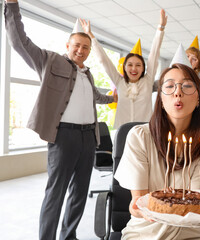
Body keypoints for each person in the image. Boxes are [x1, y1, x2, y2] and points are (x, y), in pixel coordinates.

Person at [4, 1, 116, 240]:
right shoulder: (50, 61)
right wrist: (12, 6)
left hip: (89, 138)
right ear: (68, 45)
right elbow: (19, 42)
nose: (81, 50)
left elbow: (95, 97)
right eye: (77, 45)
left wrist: (110, 98)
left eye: (86, 47)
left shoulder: (88, 74)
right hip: (64, 137)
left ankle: (69, 235)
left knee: (79, 193)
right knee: (56, 193)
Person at [114, 63, 200, 239]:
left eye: (186, 86)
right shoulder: (140, 137)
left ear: (199, 98)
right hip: (145, 232)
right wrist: (138, 208)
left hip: (189, 234)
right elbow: (138, 201)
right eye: (170, 86)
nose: (178, 92)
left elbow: (193, 205)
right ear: (161, 99)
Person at [80, 10, 167, 129]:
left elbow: (154, 53)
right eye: (130, 65)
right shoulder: (119, 82)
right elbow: (103, 60)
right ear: (125, 68)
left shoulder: (148, 81)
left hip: (145, 130)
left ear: (143, 69)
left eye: (138, 65)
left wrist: (160, 28)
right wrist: (90, 35)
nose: (134, 68)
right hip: (122, 130)